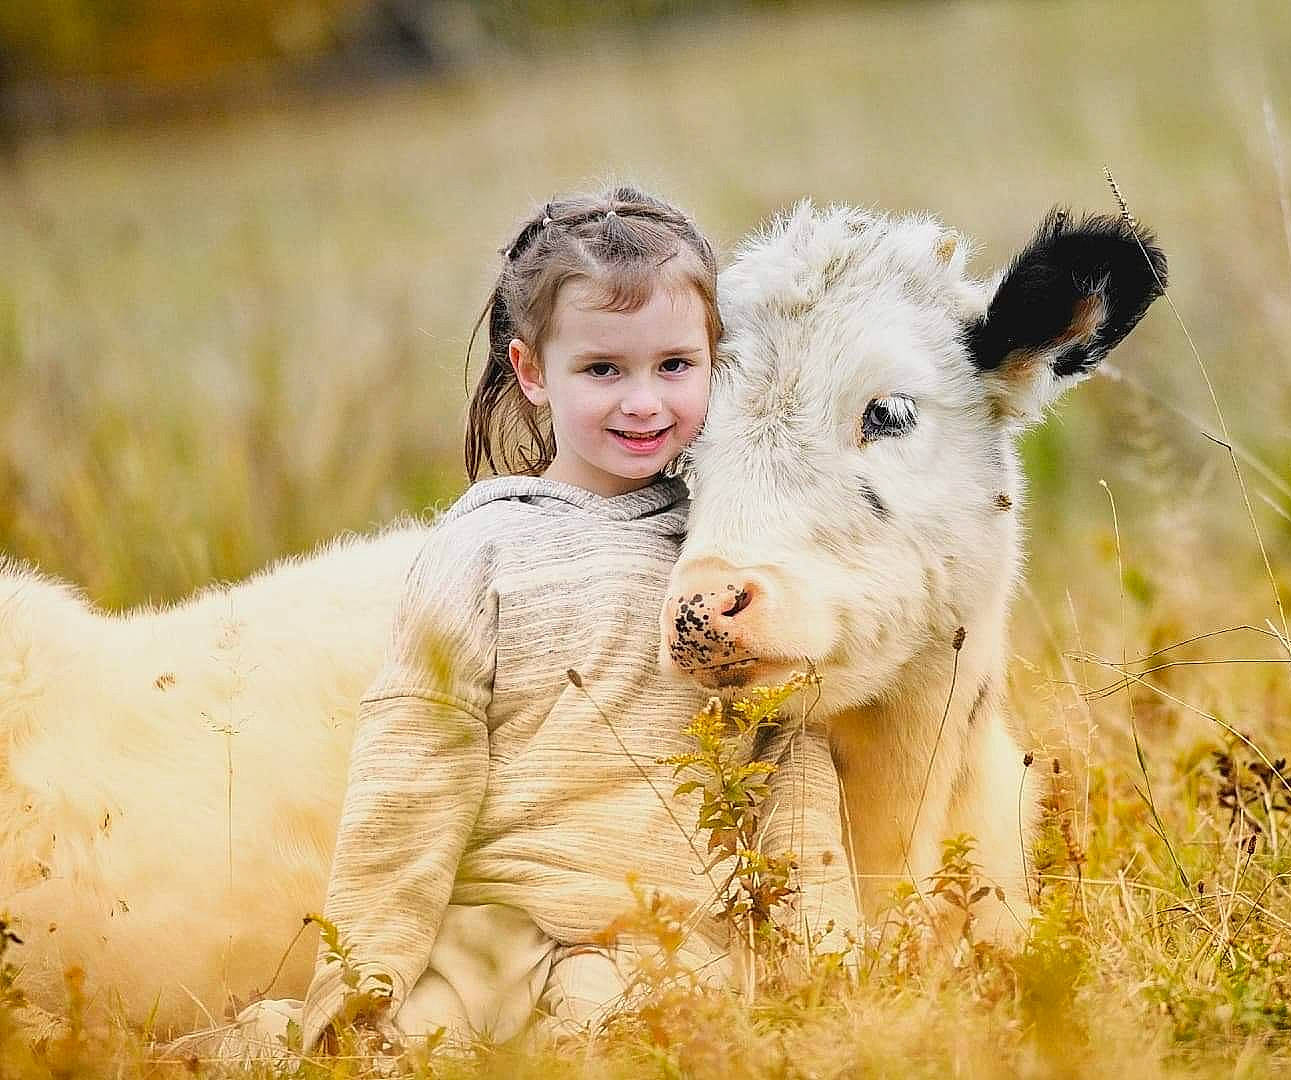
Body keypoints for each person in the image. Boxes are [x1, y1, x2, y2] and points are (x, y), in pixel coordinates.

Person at [219, 186, 858, 1060]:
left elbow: (788, 757)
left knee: (611, 1051)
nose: (643, 402)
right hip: (490, 935)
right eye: (603, 370)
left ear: (718, 360)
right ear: (531, 373)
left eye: (675, 365)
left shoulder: (728, 556)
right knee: (381, 1055)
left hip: (662, 939)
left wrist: (827, 968)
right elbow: (413, 766)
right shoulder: (481, 548)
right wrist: (363, 977)